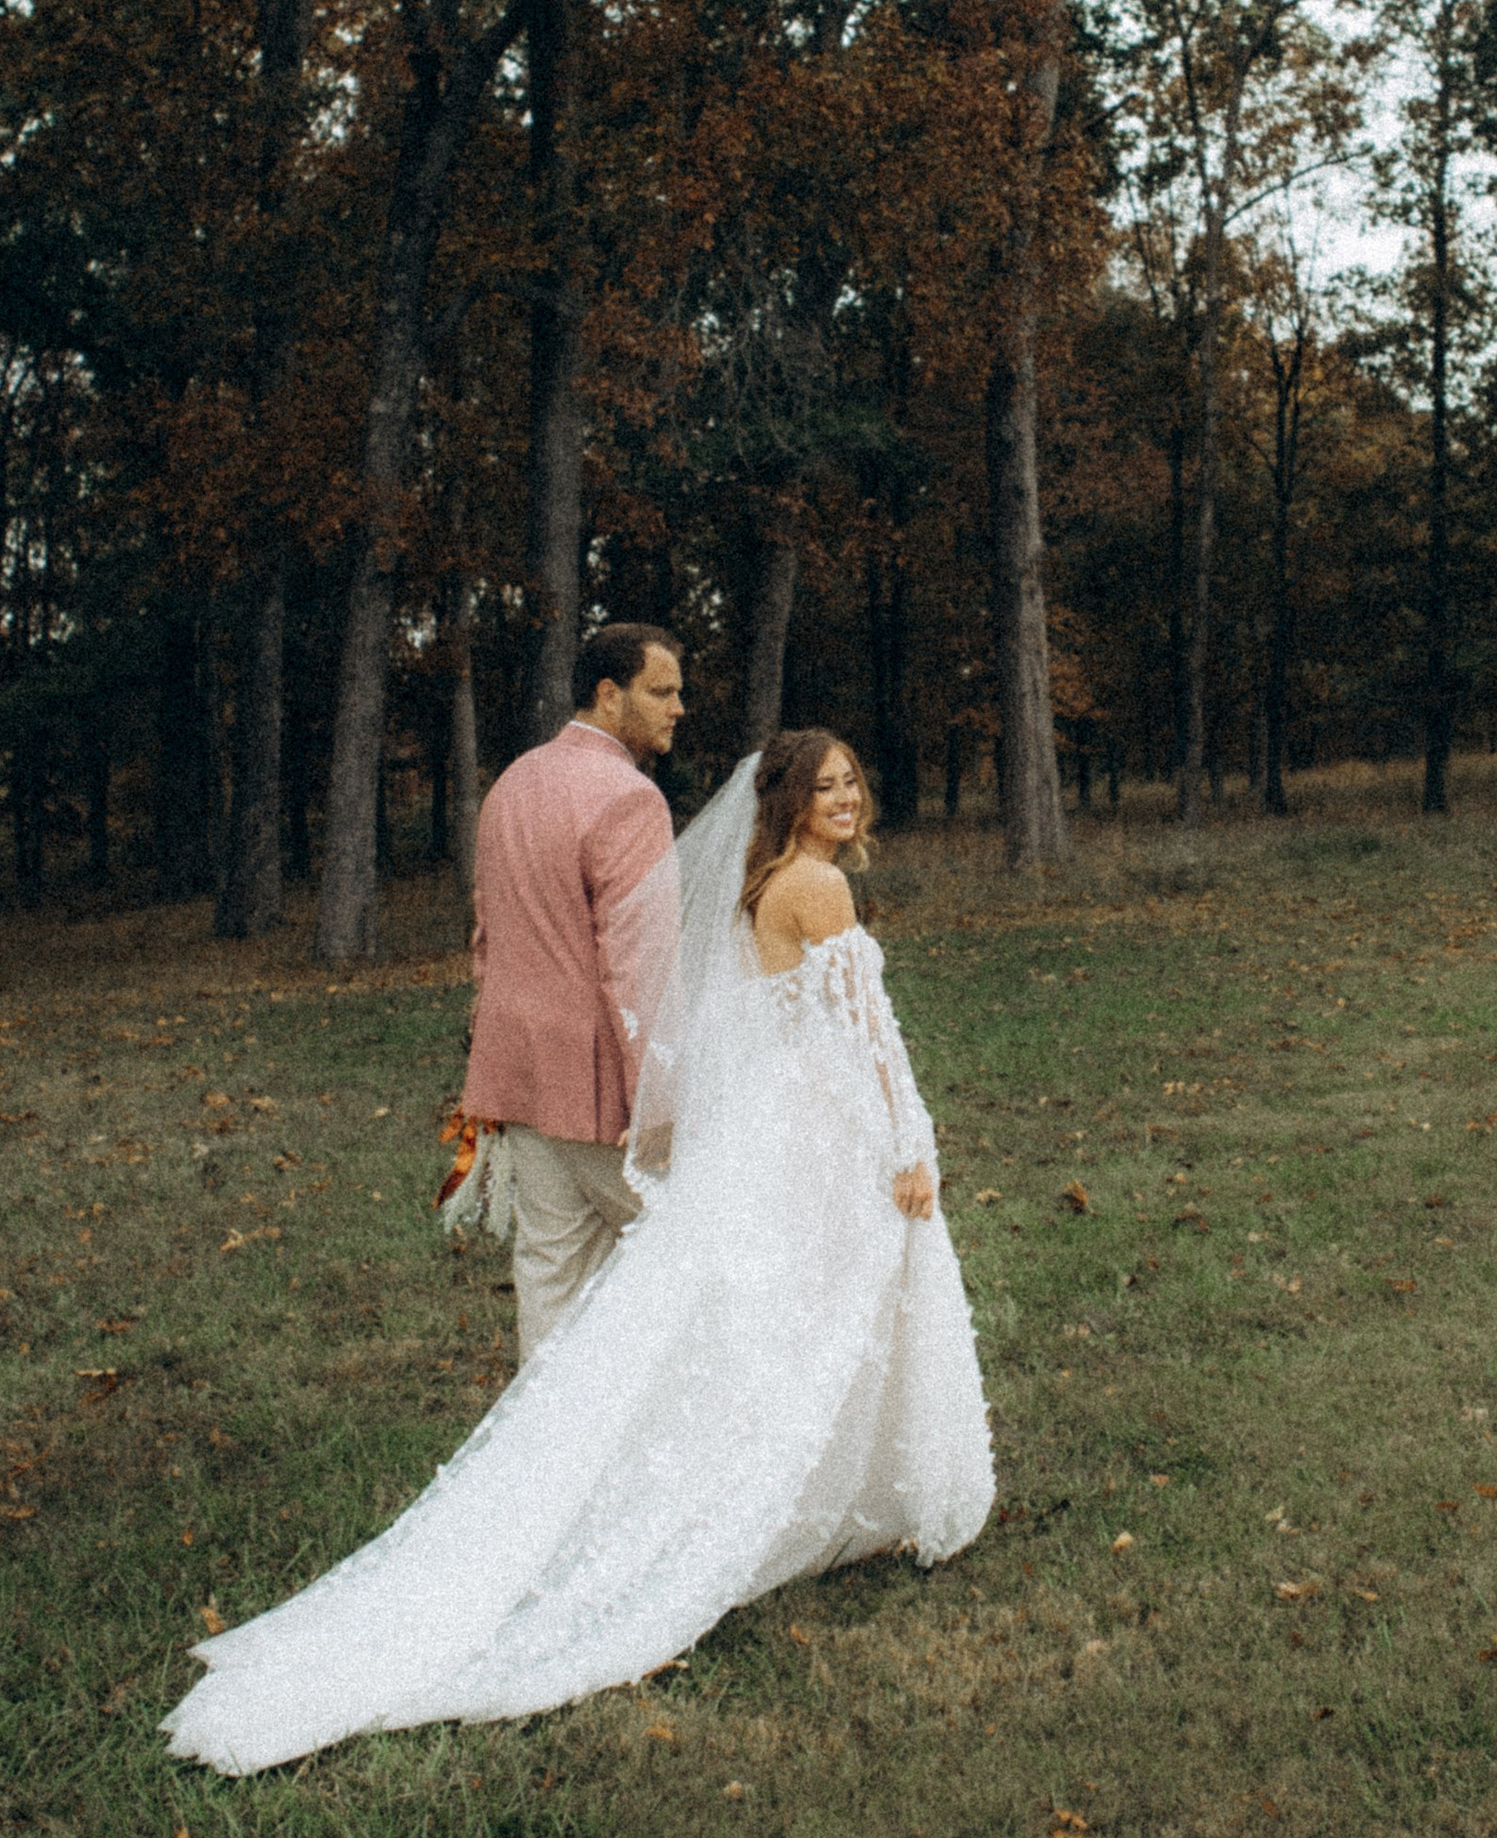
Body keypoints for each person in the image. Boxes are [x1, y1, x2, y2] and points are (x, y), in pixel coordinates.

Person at [164, 727, 992, 1771]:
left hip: (778, 1120)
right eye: (825, 786)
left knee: (795, 1305)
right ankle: (813, 1493)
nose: (845, 798)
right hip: (820, 1124)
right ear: (787, 800)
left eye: (852, 782)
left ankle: (829, 1490)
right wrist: (910, 1139)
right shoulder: (818, 888)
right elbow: (871, 1030)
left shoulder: (760, 885)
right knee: (828, 1305)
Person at [442, 622, 684, 1364]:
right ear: (609, 694)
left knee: (551, 1276)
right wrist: (658, 1101)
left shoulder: (511, 784)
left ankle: (545, 1436)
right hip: (601, 1089)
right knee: (690, 1252)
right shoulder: (631, 799)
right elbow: (640, 966)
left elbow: (488, 937)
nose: (679, 708)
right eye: (661, 692)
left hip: (519, 1073)